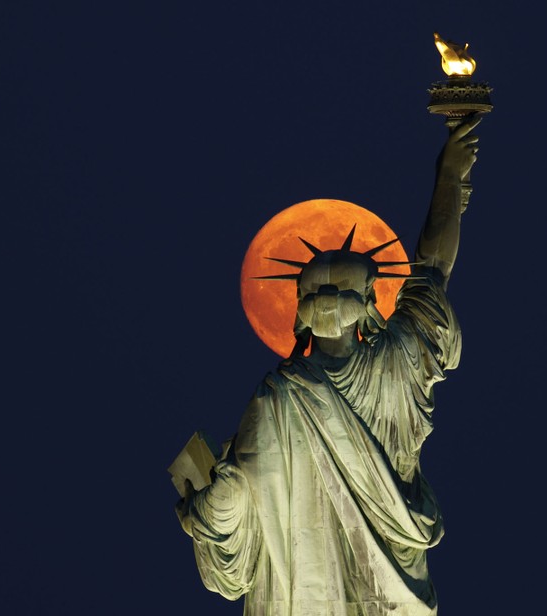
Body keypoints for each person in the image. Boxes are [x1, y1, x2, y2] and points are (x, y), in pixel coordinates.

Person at [175, 117, 481, 616]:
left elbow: (432, 271)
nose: (327, 300)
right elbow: (244, 509)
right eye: (318, 290)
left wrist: (449, 179)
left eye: (335, 290)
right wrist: (219, 505)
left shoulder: (375, 368)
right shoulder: (289, 393)